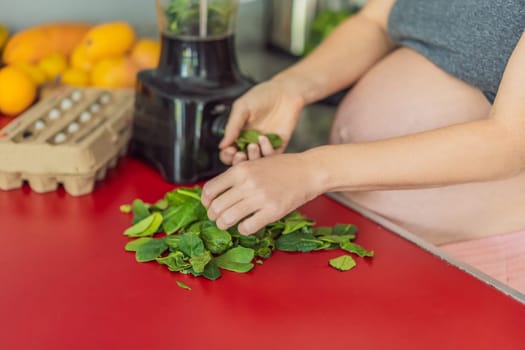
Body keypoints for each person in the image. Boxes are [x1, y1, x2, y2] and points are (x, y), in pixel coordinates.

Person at [200, 0, 525, 289]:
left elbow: (509, 141)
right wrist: (290, 88)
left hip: (470, 256)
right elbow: (376, 22)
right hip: (369, 226)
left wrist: (311, 169)